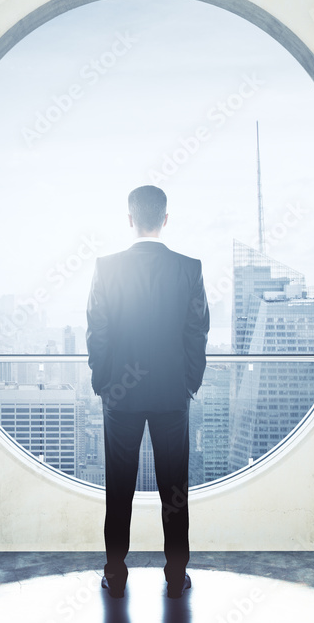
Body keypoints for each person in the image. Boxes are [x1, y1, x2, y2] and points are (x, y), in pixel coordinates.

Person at [86, 185, 210, 599]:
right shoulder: (189, 268)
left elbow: (97, 330)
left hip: (120, 394)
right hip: (172, 393)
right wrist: (189, 382)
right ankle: (176, 574)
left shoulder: (107, 267)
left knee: (118, 487)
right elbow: (198, 331)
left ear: (129, 219)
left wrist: (102, 382)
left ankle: (115, 573)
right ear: (166, 219)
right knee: (173, 488)